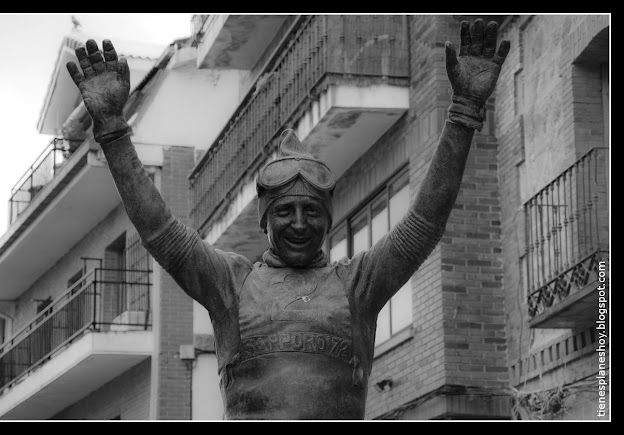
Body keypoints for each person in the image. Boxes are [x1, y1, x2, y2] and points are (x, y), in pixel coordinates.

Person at [66, 18, 509, 420]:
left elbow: (424, 224)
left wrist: (463, 115)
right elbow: (161, 232)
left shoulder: (358, 284)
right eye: (285, 211)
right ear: (264, 219)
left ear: (328, 219)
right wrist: (112, 129)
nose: (299, 222)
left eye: (311, 211)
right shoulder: (231, 284)